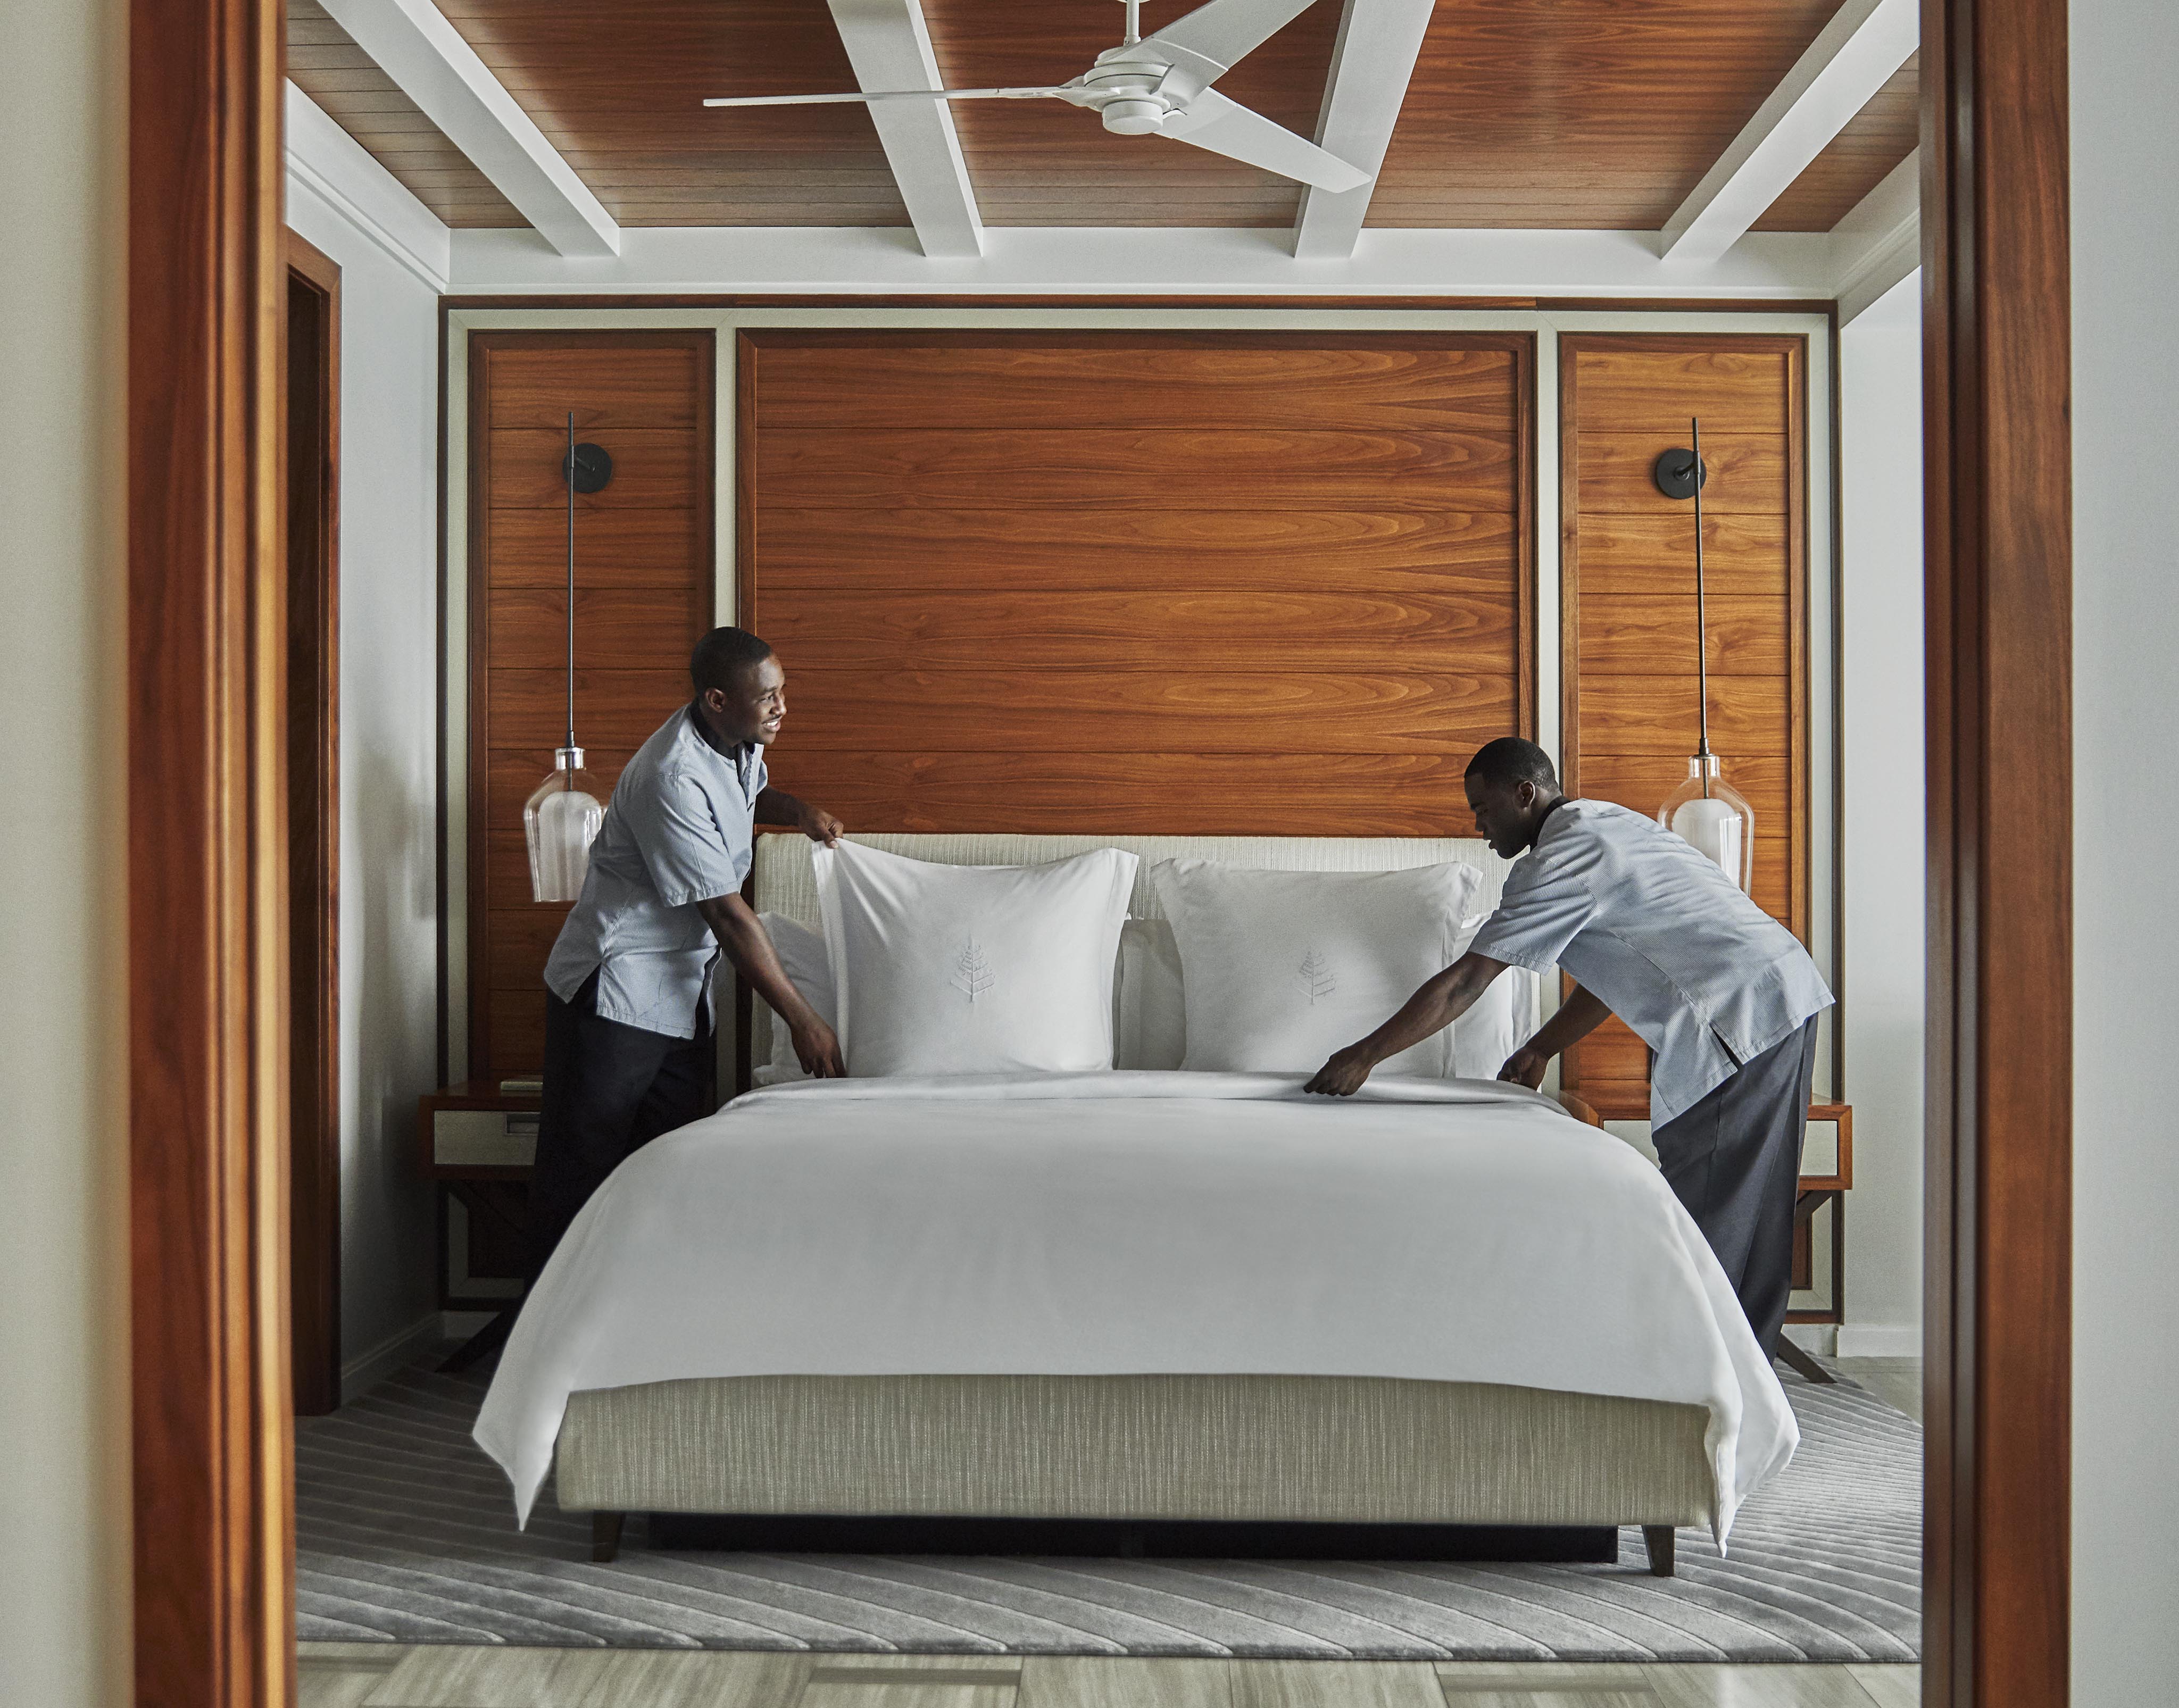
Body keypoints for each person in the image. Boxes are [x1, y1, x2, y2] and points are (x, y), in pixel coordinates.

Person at [1303, 736, 1834, 1360]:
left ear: (1524, 794)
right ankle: (1746, 1383)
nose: (1478, 827)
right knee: (1757, 1213)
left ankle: (1690, 1381)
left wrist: (1362, 1056)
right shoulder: (1609, 824)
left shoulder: (1556, 862)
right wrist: (1540, 1047)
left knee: (1706, 1213)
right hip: (1785, 991)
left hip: (1737, 1013)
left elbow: (1466, 982)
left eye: (1482, 809)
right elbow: (1623, 972)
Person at [527, 625, 846, 1279]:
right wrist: (803, 1019)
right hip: (614, 996)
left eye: (783, 692)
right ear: (717, 699)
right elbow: (729, 918)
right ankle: (539, 1349)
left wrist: (797, 810)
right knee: (580, 1178)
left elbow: (745, 794)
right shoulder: (669, 776)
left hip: (678, 996)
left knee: (663, 1170)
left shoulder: (731, 740)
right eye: (768, 700)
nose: (782, 709)